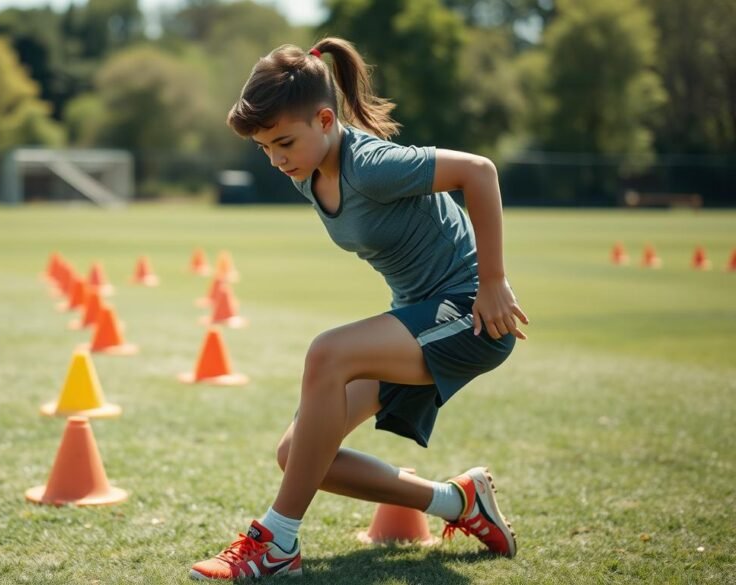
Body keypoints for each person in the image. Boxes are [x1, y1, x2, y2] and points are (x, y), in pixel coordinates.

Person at [190, 37, 530, 581]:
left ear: (326, 119)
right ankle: (458, 501)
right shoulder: (307, 172)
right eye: (264, 148)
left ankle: (277, 542)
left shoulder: (370, 164)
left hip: (470, 316)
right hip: (421, 319)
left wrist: (493, 281)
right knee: (297, 452)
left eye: (283, 142)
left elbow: (480, 172)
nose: (276, 159)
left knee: (328, 353)